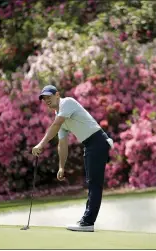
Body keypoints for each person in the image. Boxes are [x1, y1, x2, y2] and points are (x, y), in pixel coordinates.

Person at [32, 84, 113, 232]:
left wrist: (41, 144)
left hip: (97, 141)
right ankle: (87, 220)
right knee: (92, 183)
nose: (47, 100)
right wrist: (61, 166)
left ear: (57, 95)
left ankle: (88, 222)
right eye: (44, 99)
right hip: (90, 145)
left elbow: (56, 125)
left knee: (94, 184)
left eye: (49, 97)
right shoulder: (60, 116)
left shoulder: (67, 103)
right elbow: (62, 144)